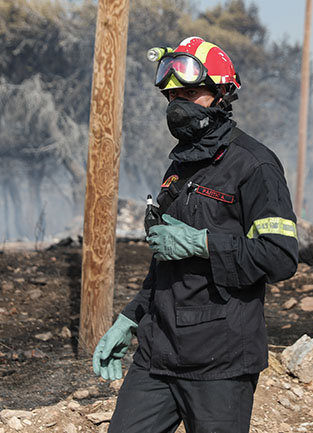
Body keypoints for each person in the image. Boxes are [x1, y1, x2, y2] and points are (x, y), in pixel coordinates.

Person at [92, 36, 299, 433]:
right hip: (158, 356)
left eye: (190, 93)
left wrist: (202, 242)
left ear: (221, 93)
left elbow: (280, 256)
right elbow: (165, 266)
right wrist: (130, 319)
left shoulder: (255, 166)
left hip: (220, 361)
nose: (178, 105)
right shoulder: (178, 170)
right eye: (172, 96)